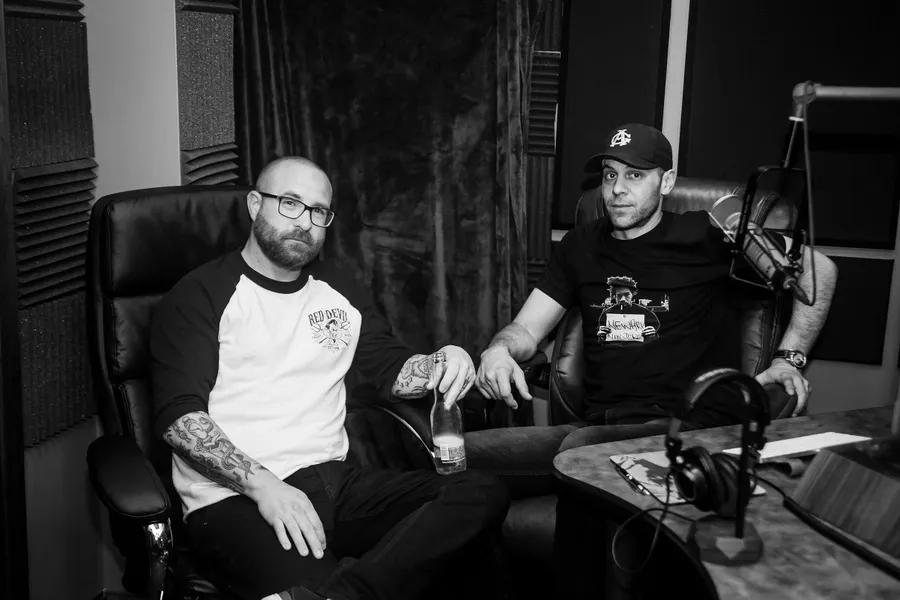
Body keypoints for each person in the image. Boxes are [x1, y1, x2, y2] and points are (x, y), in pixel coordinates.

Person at [149, 157, 510, 600]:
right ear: (255, 204)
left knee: (479, 492)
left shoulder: (338, 288)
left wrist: (444, 360)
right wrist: (265, 486)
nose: (305, 222)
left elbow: (389, 369)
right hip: (236, 498)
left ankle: (343, 595)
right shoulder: (199, 295)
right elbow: (180, 418)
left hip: (336, 484)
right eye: (290, 203)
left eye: (318, 211)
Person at [474, 123, 838, 452]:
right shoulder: (579, 245)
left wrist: (788, 360)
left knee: (577, 449)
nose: (617, 189)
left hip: (684, 431)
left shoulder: (709, 235)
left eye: (634, 175)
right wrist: (498, 351)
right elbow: (526, 329)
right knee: (465, 455)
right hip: (592, 429)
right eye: (610, 174)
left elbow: (818, 268)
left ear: (666, 182)